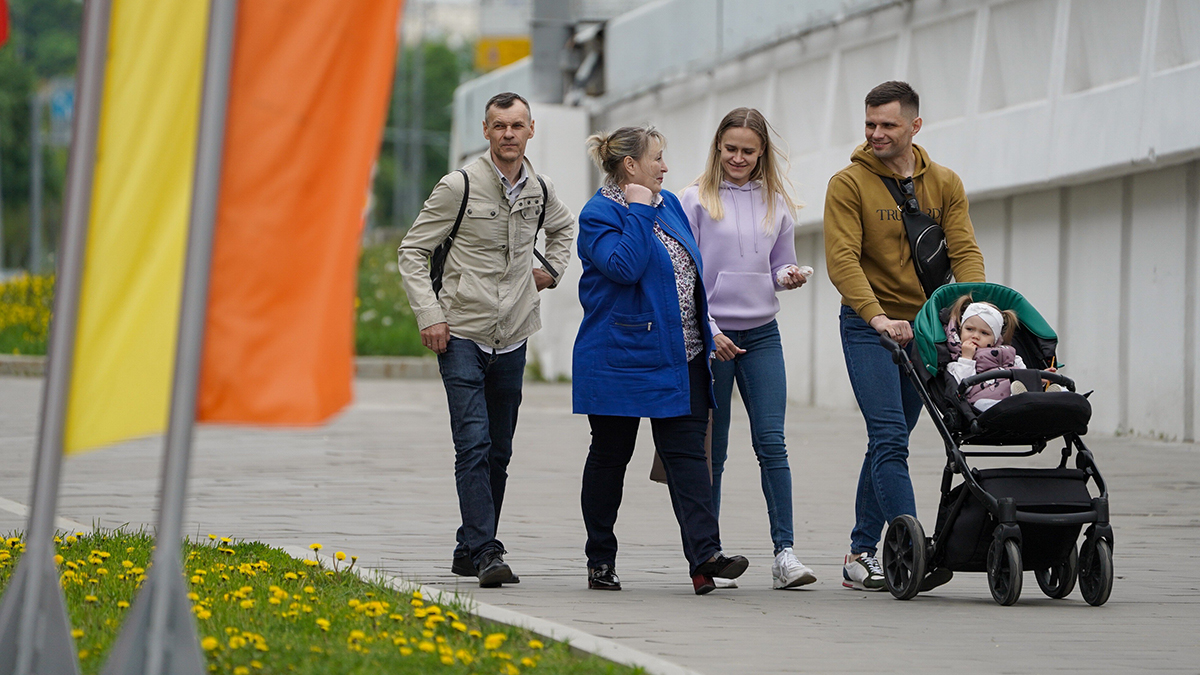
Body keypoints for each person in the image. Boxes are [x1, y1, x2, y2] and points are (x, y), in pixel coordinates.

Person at [397, 92, 576, 587]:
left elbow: (565, 230)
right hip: (461, 332)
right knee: (473, 443)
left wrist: (551, 270)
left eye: (517, 125)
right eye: (499, 125)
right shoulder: (458, 186)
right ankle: (486, 551)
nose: (508, 134)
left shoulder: (540, 189)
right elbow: (412, 250)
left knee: (499, 450)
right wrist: (430, 314)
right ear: (486, 131)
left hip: (514, 333)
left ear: (531, 129)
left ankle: (468, 548)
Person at [824, 81, 985, 591]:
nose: (876, 133)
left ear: (915, 125)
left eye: (888, 125)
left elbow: (964, 252)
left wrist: (972, 311)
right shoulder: (848, 184)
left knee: (889, 440)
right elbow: (842, 260)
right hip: (869, 326)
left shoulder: (945, 183)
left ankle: (859, 553)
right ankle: (915, 550)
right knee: (890, 435)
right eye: (869, 124)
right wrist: (875, 317)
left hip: (925, 329)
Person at [574, 125, 749, 595]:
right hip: (620, 355)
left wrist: (708, 330)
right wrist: (636, 208)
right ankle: (600, 559)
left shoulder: (669, 202)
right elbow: (624, 267)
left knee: (689, 456)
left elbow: (690, 274)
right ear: (630, 165)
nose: (665, 167)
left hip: (680, 353)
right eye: (656, 158)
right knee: (611, 456)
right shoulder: (597, 214)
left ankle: (705, 558)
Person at [679, 107, 816, 590]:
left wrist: (788, 276)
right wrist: (710, 328)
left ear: (762, 154)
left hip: (761, 335)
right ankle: (709, 555)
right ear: (718, 147)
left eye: (748, 152)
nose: (738, 158)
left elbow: (778, 266)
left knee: (772, 443)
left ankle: (785, 555)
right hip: (712, 338)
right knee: (712, 451)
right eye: (731, 149)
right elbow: (686, 275)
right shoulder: (694, 199)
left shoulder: (776, 202)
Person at [945, 298, 1024, 411]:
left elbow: (1023, 376)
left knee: (1026, 384)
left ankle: (1040, 393)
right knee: (982, 404)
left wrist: (1038, 379)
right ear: (960, 330)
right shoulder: (957, 361)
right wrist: (966, 358)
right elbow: (961, 389)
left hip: (1013, 394)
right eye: (969, 329)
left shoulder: (1010, 355)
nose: (975, 336)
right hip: (985, 402)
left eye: (984, 333)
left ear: (995, 339)